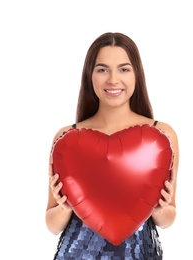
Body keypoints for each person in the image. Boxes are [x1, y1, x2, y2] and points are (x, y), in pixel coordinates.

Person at [46, 32, 179, 260]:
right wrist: (65, 206)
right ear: (90, 75)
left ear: (137, 74)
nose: (113, 79)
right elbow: (52, 224)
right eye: (102, 69)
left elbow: (168, 218)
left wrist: (160, 209)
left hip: (140, 254)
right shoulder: (67, 139)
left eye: (124, 69)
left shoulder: (161, 136)